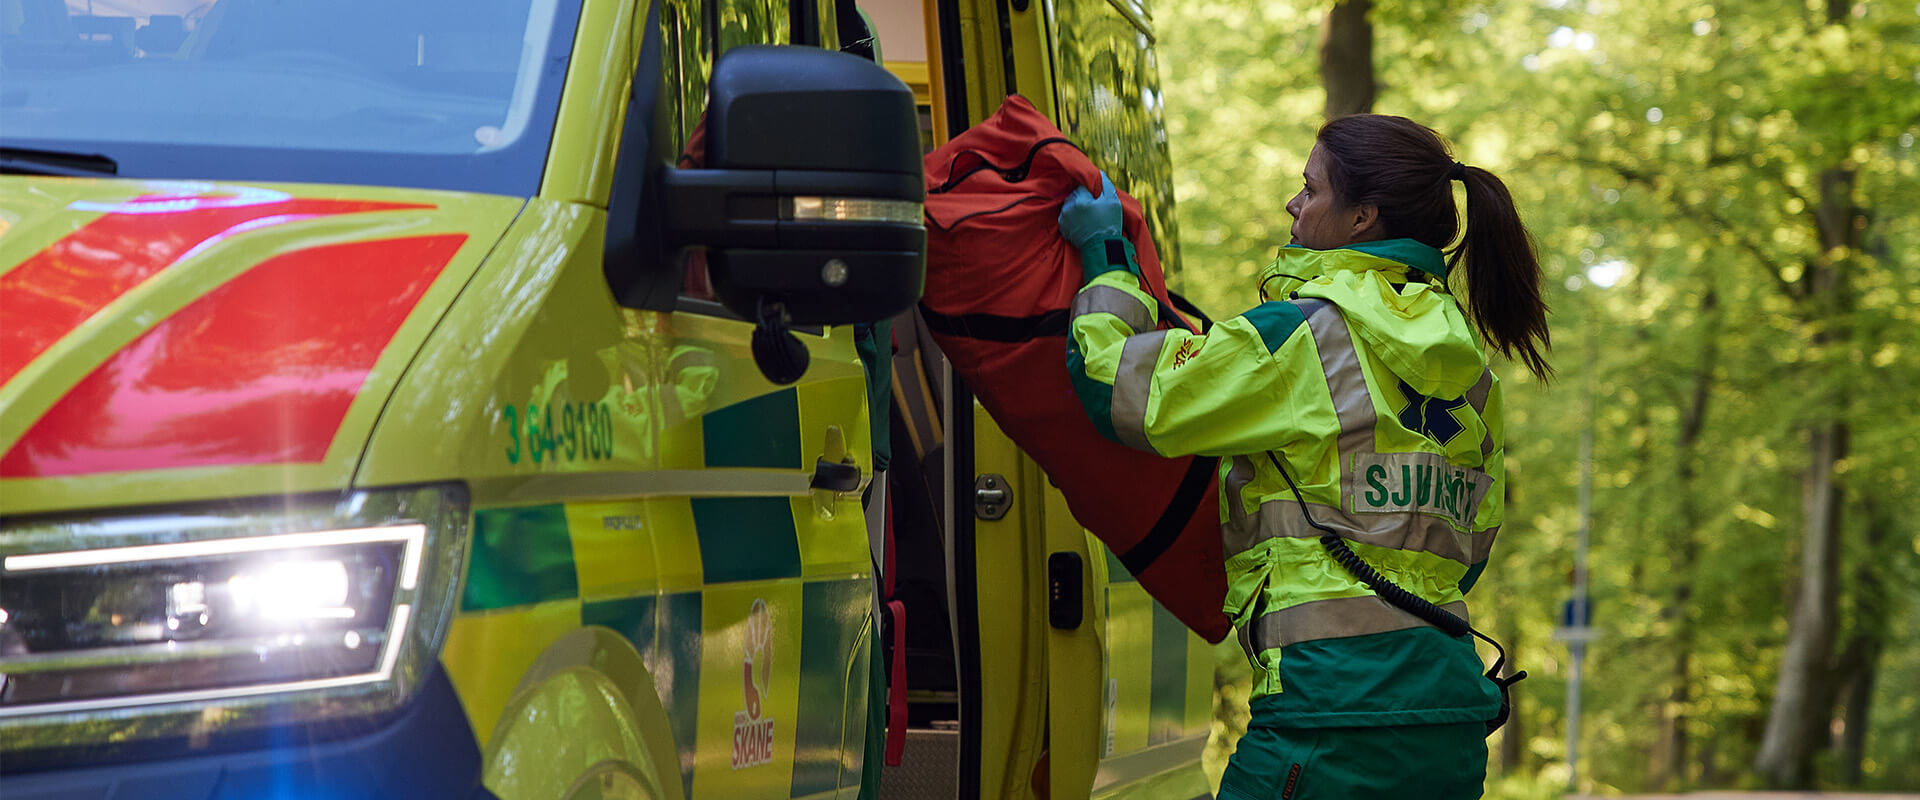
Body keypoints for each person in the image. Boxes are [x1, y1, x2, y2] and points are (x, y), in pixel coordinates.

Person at [1058, 114, 1551, 799]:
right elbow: (1466, 555)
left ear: (1361, 217)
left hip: (1331, 715)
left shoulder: (1305, 336)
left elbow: (1121, 389)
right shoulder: (1469, 372)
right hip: (1449, 719)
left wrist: (1106, 259)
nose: (1294, 205)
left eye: (1309, 188)